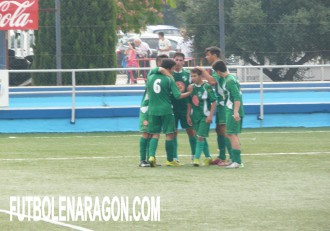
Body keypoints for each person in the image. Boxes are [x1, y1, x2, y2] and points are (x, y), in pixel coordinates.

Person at [146, 58, 192, 167]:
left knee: (155, 134)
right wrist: (190, 92)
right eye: (172, 68)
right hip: (166, 109)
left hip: (152, 109)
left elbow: (151, 74)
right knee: (170, 134)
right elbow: (178, 96)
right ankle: (170, 160)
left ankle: (151, 157)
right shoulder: (169, 79)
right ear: (168, 68)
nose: (173, 71)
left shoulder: (151, 77)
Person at [138, 55, 171, 167]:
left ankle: (150, 158)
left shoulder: (165, 78)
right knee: (146, 133)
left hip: (155, 107)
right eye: (161, 63)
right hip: (147, 108)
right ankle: (142, 160)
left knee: (153, 133)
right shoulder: (152, 74)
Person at [202, 46, 233, 166]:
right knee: (219, 129)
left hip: (224, 103)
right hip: (220, 104)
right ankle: (221, 156)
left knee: (225, 130)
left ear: (214, 55)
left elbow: (213, 82)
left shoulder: (219, 67)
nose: (206, 57)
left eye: (208, 55)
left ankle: (231, 157)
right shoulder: (216, 68)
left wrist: (202, 71)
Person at [212, 60, 245, 169]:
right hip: (229, 109)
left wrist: (235, 112)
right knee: (230, 134)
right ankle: (234, 160)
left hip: (232, 110)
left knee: (232, 134)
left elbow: (237, 97)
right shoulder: (230, 78)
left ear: (217, 71)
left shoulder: (229, 80)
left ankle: (237, 162)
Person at [187, 68, 217, 167]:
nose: (193, 78)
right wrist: (188, 115)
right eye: (191, 76)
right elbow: (190, 103)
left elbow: (213, 101)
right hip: (195, 116)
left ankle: (196, 159)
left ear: (200, 76)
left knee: (200, 137)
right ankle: (208, 157)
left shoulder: (206, 86)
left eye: (195, 76)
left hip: (205, 116)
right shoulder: (191, 88)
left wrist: (210, 115)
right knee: (200, 136)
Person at [171, 52, 196, 163]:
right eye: (176, 60)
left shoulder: (188, 74)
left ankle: (194, 154)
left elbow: (192, 89)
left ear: (184, 61)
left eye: (181, 60)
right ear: (173, 60)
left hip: (185, 107)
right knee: (173, 132)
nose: (178, 62)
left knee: (190, 130)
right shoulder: (169, 74)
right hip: (172, 107)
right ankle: (175, 156)